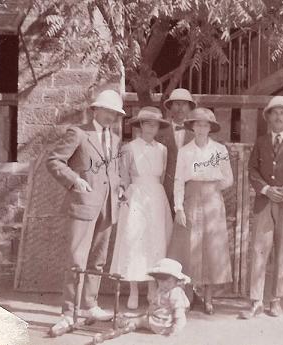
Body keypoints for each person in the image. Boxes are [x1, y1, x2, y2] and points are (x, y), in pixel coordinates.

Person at [46, 89, 125, 335]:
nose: (111, 116)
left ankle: (90, 305)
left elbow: (113, 170)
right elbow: (54, 161)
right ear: (95, 110)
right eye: (107, 111)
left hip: (108, 205)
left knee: (98, 260)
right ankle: (68, 314)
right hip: (82, 203)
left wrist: (119, 187)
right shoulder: (79, 133)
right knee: (76, 261)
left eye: (115, 112)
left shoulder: (115, 138)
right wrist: (74, 180)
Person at [239, 96, 283, 319]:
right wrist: (266, 189)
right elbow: (252, 170)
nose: (279, 117)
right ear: (268, 117)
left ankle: (276, 300)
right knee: (259, 250)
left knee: (282, 252)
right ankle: (256, 301)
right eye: (274, 113)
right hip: (265, 202)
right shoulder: (261, 142)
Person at [168, 107, 234, 315]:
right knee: (190, 246)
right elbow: (179, 180)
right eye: (197, 124)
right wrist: (179, 207)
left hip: (213, 200)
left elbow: (228, 178)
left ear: (210, 128)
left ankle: (208, 298)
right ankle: (187, 296)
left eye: (205, 125)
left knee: (212, 248)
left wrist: (212, 188)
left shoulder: (219, 150)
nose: (201, 128)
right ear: (192, 127)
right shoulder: (186, 151)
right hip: (191, 198)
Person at [110, 106, 173, 310]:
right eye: (147, 123)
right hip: (136, 196)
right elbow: (124, 176)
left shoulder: (162, 150)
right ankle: (134, 290)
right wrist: (124, 195)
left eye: (154, 124)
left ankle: (153, 288)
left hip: (156, 197)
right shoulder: (129, 148)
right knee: (134, 240)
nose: (151, 127)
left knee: (155, 241)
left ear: (158, 127)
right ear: (140, 125)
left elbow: (161, 177)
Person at [117, 258, 190, 336]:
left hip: (164, 324)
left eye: (169, 282)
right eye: (161, 281)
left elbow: (179, 311)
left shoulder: (175, 292)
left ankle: (131, 323)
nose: (164, 285)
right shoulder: (161, 290)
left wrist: (177, 327)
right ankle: (130, 321)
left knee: (141, 320)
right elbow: (154, 304)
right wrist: (149, 312)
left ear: (177, 281)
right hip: (159, 319)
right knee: (142, 317)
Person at [156, 88, 196, 212]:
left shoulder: (195, 133)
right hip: (165, 186)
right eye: (177, 104)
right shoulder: (160, 132)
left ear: (189, 108)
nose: (180, 108)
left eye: (184, 104)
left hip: (188, 187)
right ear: (170, 107)